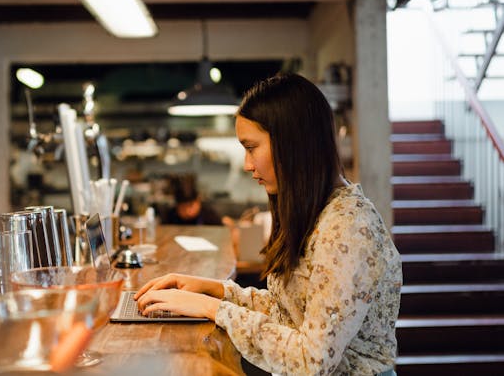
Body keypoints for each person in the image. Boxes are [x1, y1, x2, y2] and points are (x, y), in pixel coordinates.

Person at [135, 72, 402, 376]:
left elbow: (311, 360)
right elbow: (290, 311)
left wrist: (212, 309)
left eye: (251, 148)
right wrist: (214, 290)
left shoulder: (348, 228)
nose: (248, 164)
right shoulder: (318, 211)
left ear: (292, 143)